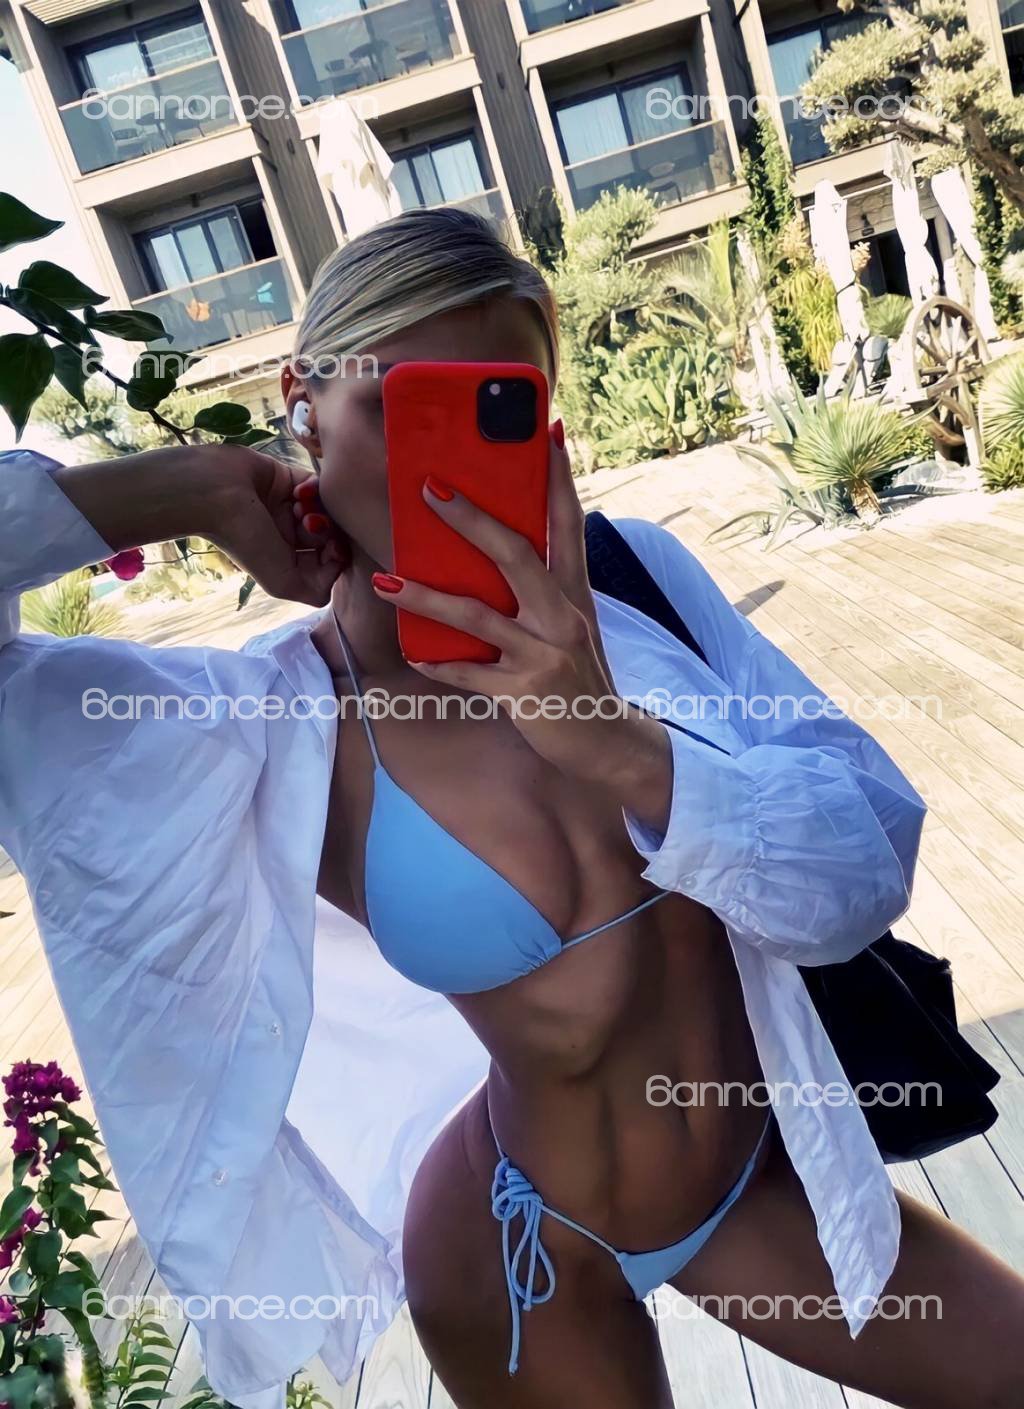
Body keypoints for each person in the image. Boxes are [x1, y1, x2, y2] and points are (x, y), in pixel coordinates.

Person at [1, 208, 1022, 1409]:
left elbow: (863, 868)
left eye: (496, 408)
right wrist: (175, 488)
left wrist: (621, 743)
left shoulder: (636, 582)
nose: (440, 470)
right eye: (397, 408)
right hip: (520, 1241)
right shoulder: (263, 729)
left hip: (756, 1174)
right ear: (302, 405)